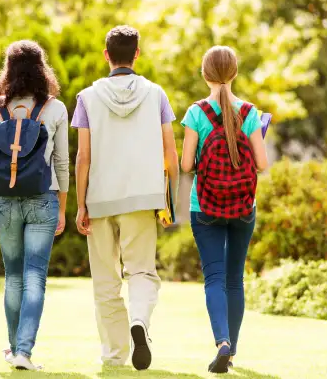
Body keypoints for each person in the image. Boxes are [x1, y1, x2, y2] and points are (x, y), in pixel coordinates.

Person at [72, 25, 179, 370]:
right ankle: (140, 322)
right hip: (143, 198)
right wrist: (169, 201)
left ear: (106, 55)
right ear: (137, 54)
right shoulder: (157, 94)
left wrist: (80, 204)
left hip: (101, 199)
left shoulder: (87, 98)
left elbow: (83, 156)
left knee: (106, 281)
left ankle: (114, 355)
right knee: (142, 273)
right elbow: (170, 153)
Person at [0, 40, 69, 371]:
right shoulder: (55, 109)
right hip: (43, 198)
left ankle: (14, 346)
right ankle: (23, 352)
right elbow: (62, 162)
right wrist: (62, 207)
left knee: (13, 275)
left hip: (5, 201)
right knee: (35, 275)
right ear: (41, 68)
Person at [180, 46, 268, 374]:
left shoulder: (196, 113)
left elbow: (187, 165)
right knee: (235, 279)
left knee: (214, 277)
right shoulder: (249, 112)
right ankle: (231, 355)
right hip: (244, 206)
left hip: (204, 206)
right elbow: (261, 163)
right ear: (234, 73)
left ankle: (222, 343)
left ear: (205, 74)